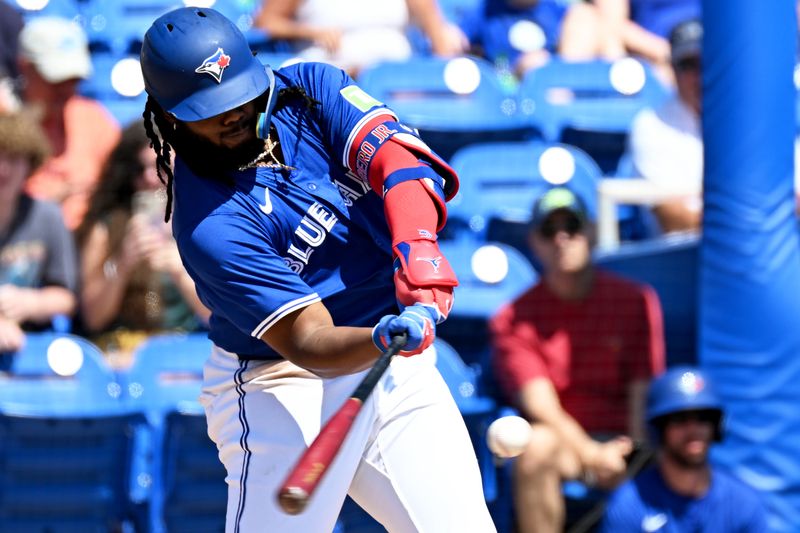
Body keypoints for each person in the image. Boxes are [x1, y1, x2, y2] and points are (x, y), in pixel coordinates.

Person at [139, 7, 495, 532]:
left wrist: (418, 243)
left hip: (391, 364)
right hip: (277, 380)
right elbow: (309, 341)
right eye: (210, 109)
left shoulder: (307, 88)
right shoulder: (207, 224)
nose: (233, 113)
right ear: (170, 116)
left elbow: (397, 161)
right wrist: (379, 337)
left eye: (238, 93)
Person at [489, 186, 666, 533]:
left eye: (571, 226)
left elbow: (643, 389)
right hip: (567, 446)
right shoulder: (512, 317)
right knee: (535, 446)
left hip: (627, 441)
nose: (561, 238)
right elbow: (542, 408)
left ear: (591, 232)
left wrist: (631, 451)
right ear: (535, 242)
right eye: (549, 231)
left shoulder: (636, 300)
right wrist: (593, 455)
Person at [74, 123, 211, 368]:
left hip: (185, 352)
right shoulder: (107, 228)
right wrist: (121, 264)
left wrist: (180, 271)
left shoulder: (202, 226)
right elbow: (93, 318)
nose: (151, 178)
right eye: (140, 169)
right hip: (123, 352)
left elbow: (216, 317)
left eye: (162, 166)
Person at [600, 366, 769, 531]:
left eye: (703, 418)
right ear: (659, 429)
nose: (693, 429)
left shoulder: (742, 503)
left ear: (716, 426)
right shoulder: (631, 504)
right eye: (679, 419)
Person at [17, 16, 120, 230]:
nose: (66, 91)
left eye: (73, 80)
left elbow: (121, 181)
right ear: (25, 68)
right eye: (56, 80)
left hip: (87, 242)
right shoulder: (6, 123)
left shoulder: (92, 118)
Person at [0, 108, 78, 354]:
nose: (3, 170)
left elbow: (66, 298)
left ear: (30, 164)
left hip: (32, 346)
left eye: (13, 159)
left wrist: (31, 303)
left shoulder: (47, 215)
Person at [626, 18, 703, 234]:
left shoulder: (746, 120)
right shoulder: (651, 125)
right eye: (688, 65)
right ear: (673, 70)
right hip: (678, 259)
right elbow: (673, 219)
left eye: (706, 61)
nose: (699, 75)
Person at [254, 0, 468, 76]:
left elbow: (441, 43)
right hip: (332, 82)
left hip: (397, 85)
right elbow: (265, 22)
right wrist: (310, 31)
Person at [459, 0, 614, 76]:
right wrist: (516, 72)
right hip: (504, 92)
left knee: (586, 14)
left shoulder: (559, 12)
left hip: (551, 91)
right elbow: (454, 41)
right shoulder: (485, 12)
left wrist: (547, 71)